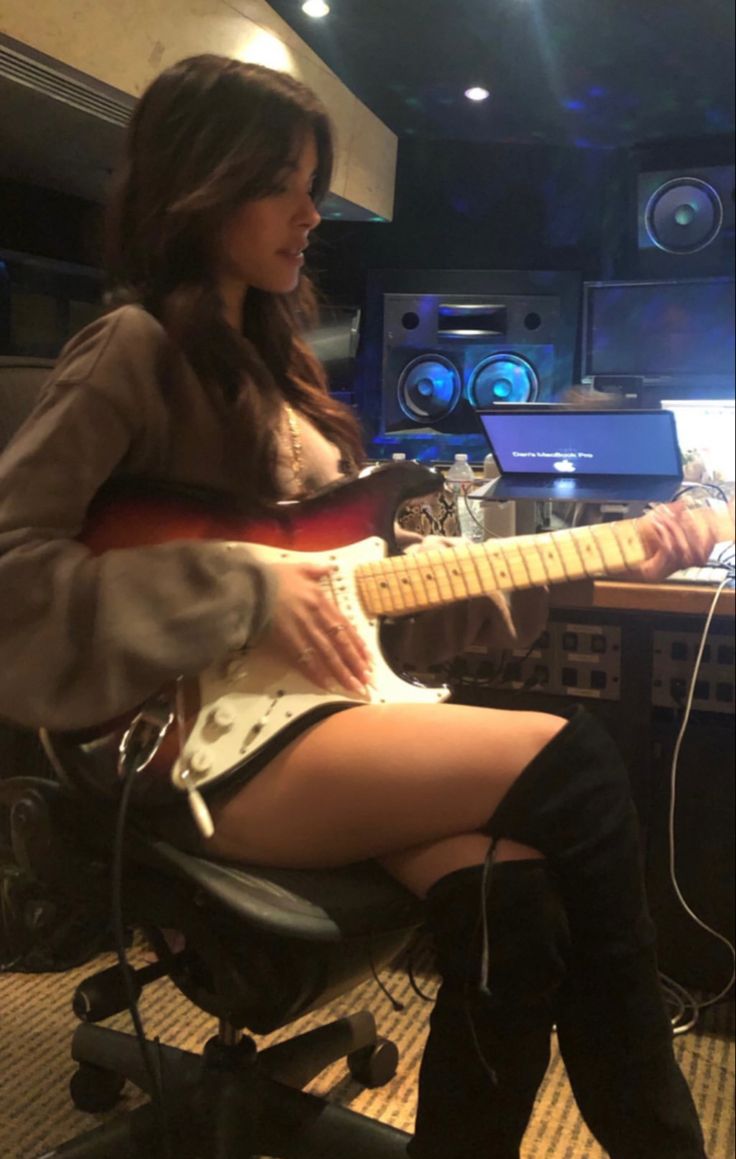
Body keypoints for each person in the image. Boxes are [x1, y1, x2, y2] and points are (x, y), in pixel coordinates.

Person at [0, 54, 719, 1159]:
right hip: (185, 745)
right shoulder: (131, 349)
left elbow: (378, 611)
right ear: (203, 185)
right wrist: (234, 583)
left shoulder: (288, 384)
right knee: (574, 759)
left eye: (312, 184)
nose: (309, 212)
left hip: (317, 719)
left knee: (512, 908)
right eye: (282, 183)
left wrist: (592, 559)